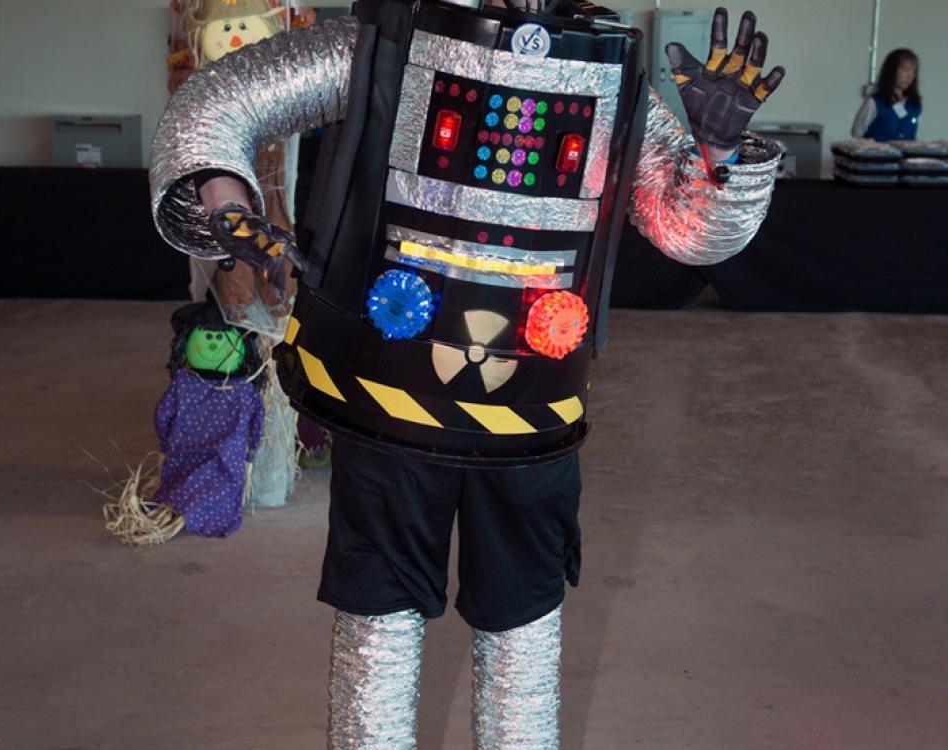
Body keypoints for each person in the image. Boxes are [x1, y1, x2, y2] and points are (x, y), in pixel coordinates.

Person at [149, 3, 785, 747]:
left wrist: (718, 155)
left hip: (529, 422)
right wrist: (228, 206)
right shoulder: (386, 42)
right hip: (387, 406)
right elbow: (218, 102)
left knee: (521, 629)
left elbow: (689, 232)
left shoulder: (607, 70)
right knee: (379, 627)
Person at [851, 48, 922, 141]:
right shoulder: (874, 102)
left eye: (913, 71)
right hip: (879, 154)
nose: (910, 76)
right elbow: (856, 132)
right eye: (906, 70)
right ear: (892, 70)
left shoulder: (914, 103)